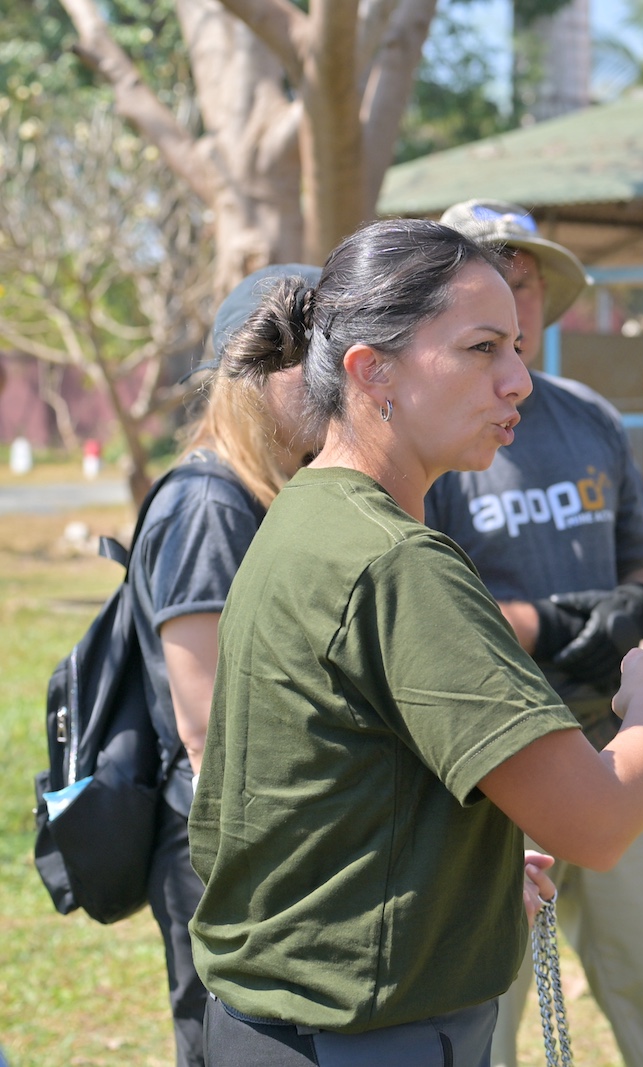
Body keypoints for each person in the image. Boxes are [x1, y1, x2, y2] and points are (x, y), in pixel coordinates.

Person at [186, 218, 643, 1066]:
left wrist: (472, 874)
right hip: (364, 1040)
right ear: (370, 369)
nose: (518, 381)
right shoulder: (396, 564)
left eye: (519, 347)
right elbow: (600, 824)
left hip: (280, 1023)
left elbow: (347, 794)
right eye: (482, 348)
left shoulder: (306, 513)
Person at [430, 199, 643, 1067]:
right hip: (495, 768)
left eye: (524, 275)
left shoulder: (589, 416)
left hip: (611, 739)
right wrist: (540, 626)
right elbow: (424, 613)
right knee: (490, 1022)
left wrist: (635, 607)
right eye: (485, 275)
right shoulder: (435, 433)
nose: (512, 291)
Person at [127, 262, 324, 1067]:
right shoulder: (210, 504)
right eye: (314, 368)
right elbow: (206, 729)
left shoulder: (268, 493)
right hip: (216, 851)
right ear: (253, 378)